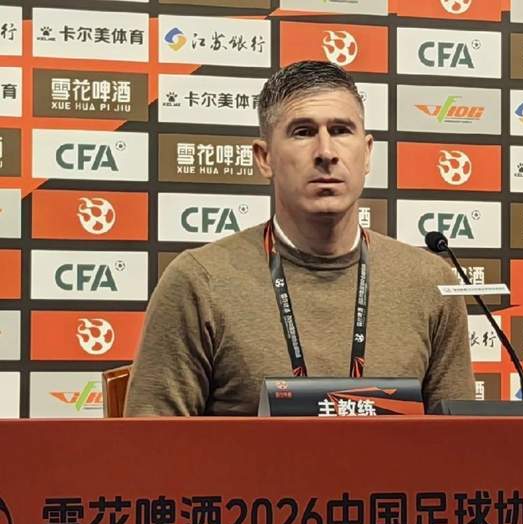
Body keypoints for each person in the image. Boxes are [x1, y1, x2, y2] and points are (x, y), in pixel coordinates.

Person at [124, 60, 475, 416]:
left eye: (341, 130)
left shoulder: (430, 282)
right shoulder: (200, 281)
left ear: (367, 153)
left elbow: (462, 441)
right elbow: (151, 442)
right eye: (303, 132)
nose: (326, 152)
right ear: (264, 158)